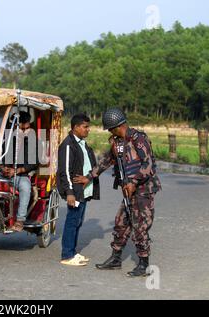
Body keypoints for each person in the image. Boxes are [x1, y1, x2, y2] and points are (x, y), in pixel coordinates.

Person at [75, 107, 161, 277]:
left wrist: (134, 182)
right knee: (121, 223)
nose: (110, 133)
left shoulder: (139, 139)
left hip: (143, 190)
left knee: (140, 226)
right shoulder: (117, 142)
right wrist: (89, 177)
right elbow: (107, 160)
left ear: (117, 126)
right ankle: (116, 259)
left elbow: (148, 164)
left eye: (110, 129)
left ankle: (143, 263)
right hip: (128, 191)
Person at [56, 113, 100, 266]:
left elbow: (93, 165)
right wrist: (69, 192)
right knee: (72, 221)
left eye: (89, 127)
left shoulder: (82, 144)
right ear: (75, 127)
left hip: (84, 190)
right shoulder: (68, 145)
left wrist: (89, 177)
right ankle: (67, 255)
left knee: (78, 221)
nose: (88, 130)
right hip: (74, 191)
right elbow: (65, 171)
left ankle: (73, 252)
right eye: (85, 127)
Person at [1, 111, 38, 232]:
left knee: (25, 188)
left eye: (26, 127)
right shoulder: (6, 139)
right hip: (2, 174)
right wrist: (3, 168)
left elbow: (33, 164)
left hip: (21, 175)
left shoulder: (32, 141)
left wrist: (16, 171)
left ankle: (20, 219)